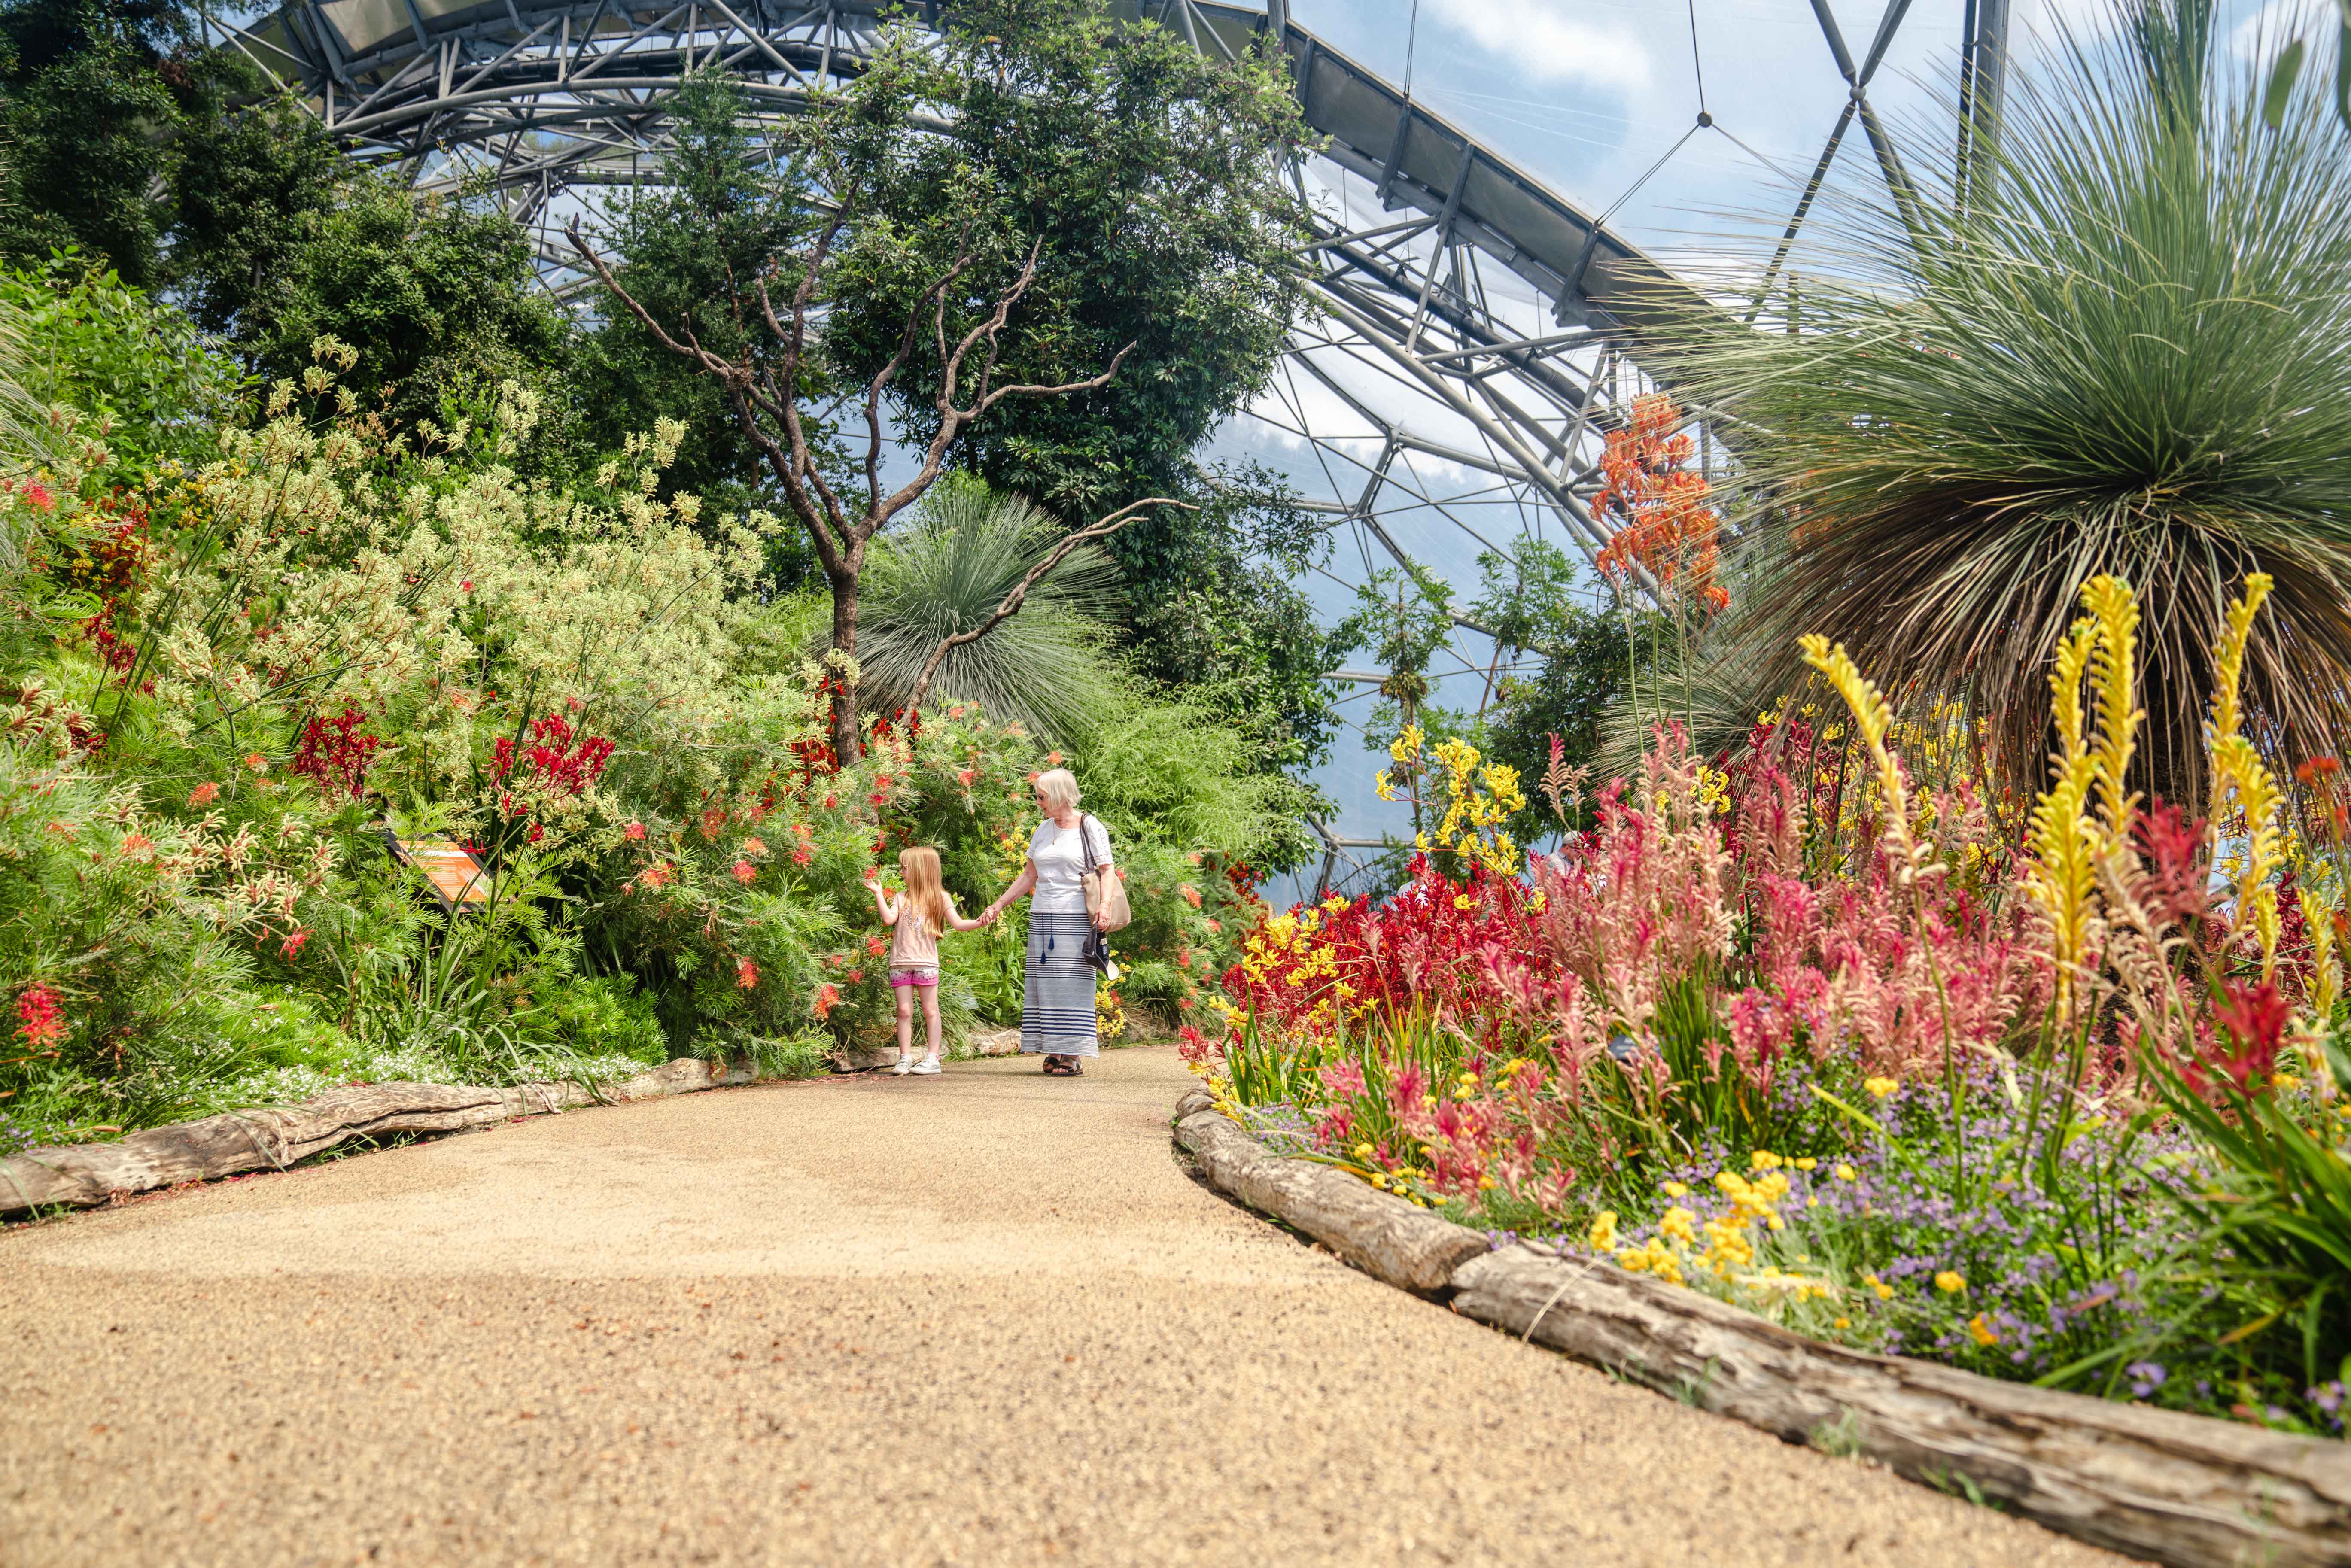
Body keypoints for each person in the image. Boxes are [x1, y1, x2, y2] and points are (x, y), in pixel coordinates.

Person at [980, 768, 1113, 1076]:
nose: (1037, 802)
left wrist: (1104, 906)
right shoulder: (1042, 829)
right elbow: (1030, 875)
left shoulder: (1089, 826)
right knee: (1047, 986)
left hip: (1076, 917)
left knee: (1071, 984)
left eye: (1041, 796)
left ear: (1058, 795)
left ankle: (1072, 1053)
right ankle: (1054, 1048)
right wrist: (999, 904)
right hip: (1043, 917)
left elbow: (1107, 871)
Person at [864, 846, 989, 1076]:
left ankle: (933, 1058)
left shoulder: (940, 898)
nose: (902, 872)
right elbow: (888, 919)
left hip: (926, 964)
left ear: (920, 870)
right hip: (900, 963)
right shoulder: (901, 898)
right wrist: (879, 894)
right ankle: (905, 1058)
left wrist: (980, 922)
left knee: (931, 1011)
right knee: (903, 1011)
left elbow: (958, 924)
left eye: (905, 868)